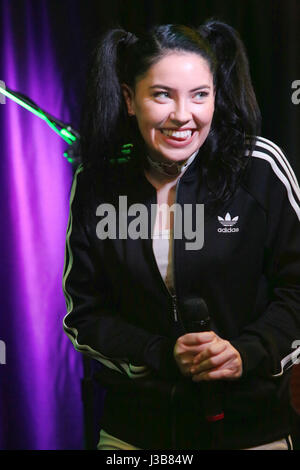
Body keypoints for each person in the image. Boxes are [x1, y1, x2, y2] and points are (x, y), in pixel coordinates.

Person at [62, 20, 300, 450]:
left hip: (251, 428)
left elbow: (296, 288)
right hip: (133, 434)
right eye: (161, 95)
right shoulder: (98, 182)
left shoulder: (259, 168)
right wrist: (160, 352)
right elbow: (84, 313)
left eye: (200, 95)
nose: (182, 115)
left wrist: (247, 352)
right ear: (129, 99)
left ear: (216, 97)